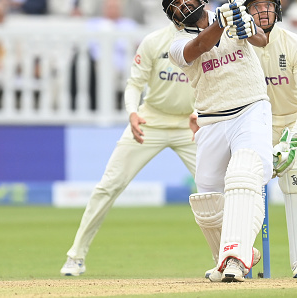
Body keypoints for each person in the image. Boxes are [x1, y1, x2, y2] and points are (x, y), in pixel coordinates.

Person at [60, 20, 198, 276]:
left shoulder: (207, 40)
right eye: (179, 3)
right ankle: (75, 256)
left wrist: (203, 113)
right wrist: (132, 113)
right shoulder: (154, 41)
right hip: (149, 121)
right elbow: (134, 84)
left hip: (191, 125)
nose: (186, 8)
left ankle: (230, 257)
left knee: (215, 190)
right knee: (109, 185)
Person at [165, 0, 271, 282]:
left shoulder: (233, 17)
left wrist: (246, 25)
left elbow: (262, 40)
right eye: (176, 4)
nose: (183, 4)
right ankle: (231, 256)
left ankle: (236, 257)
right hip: (211, 118)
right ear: (173, 17)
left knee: (244, 174)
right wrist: (221, 23)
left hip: (250, 108)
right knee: (207, 200)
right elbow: (198, 47)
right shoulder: (175, 45)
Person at [243, 0, 297, 279]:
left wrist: (293, 137)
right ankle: (236, 256)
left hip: (294, 120)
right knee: (241, 183)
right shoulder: (239, 45)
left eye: (268, 6)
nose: (263, 12)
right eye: (256, 7)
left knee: (294, 178)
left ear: (277, 9)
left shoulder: (294, 43)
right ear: (246, 13)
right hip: (255, 121)